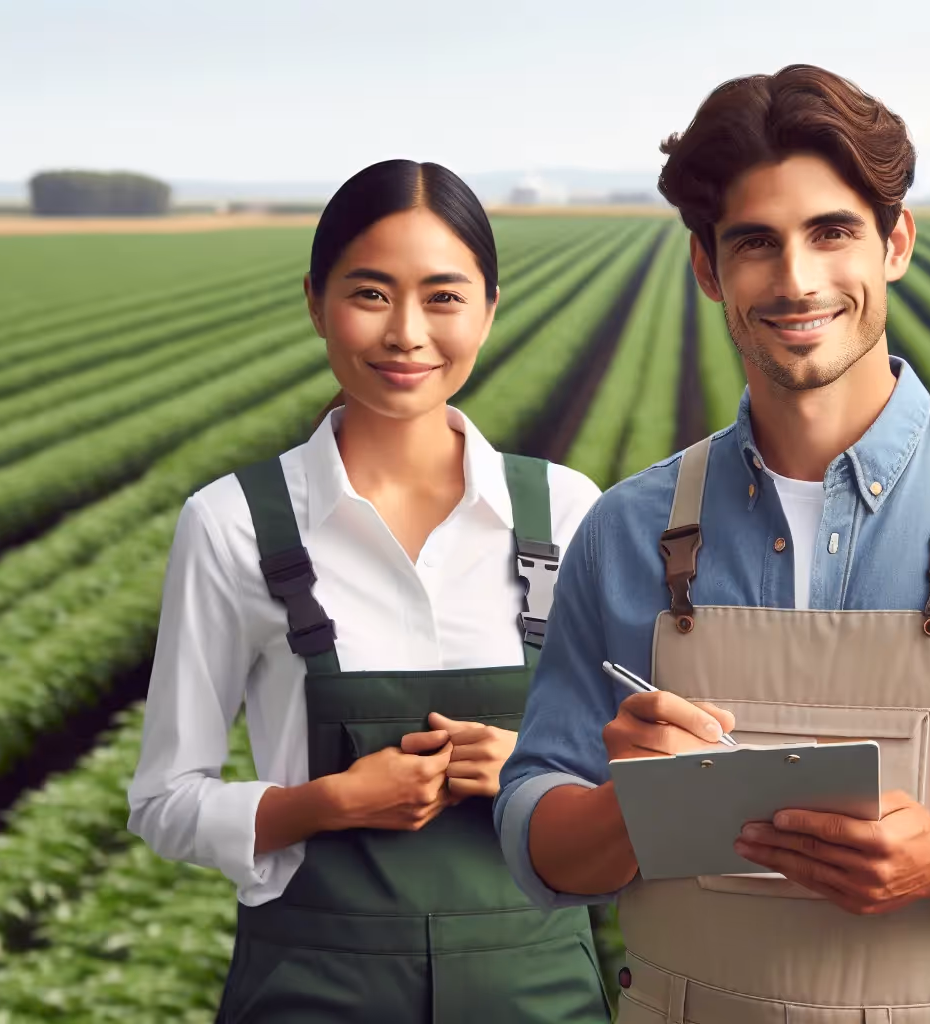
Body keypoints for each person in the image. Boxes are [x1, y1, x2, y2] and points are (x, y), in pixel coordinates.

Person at [493, 65, 930, 1022]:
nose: (797, 280)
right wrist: (628, 805)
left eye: (832, 232)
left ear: (895, 243)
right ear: (708, 269)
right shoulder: (627, 532)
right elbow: (537, 827)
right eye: (756, 244)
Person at [126, 158, 613, 1023]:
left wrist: (534, 780)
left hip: (538, 991)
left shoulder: (568, 514)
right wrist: (331, 802)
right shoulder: (234, 523)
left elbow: (641, 778)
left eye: (445, 296)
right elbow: (166, 800)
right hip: (313, 990)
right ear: (316, 302)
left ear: (491, 310)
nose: (407, 333)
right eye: (372, 294)